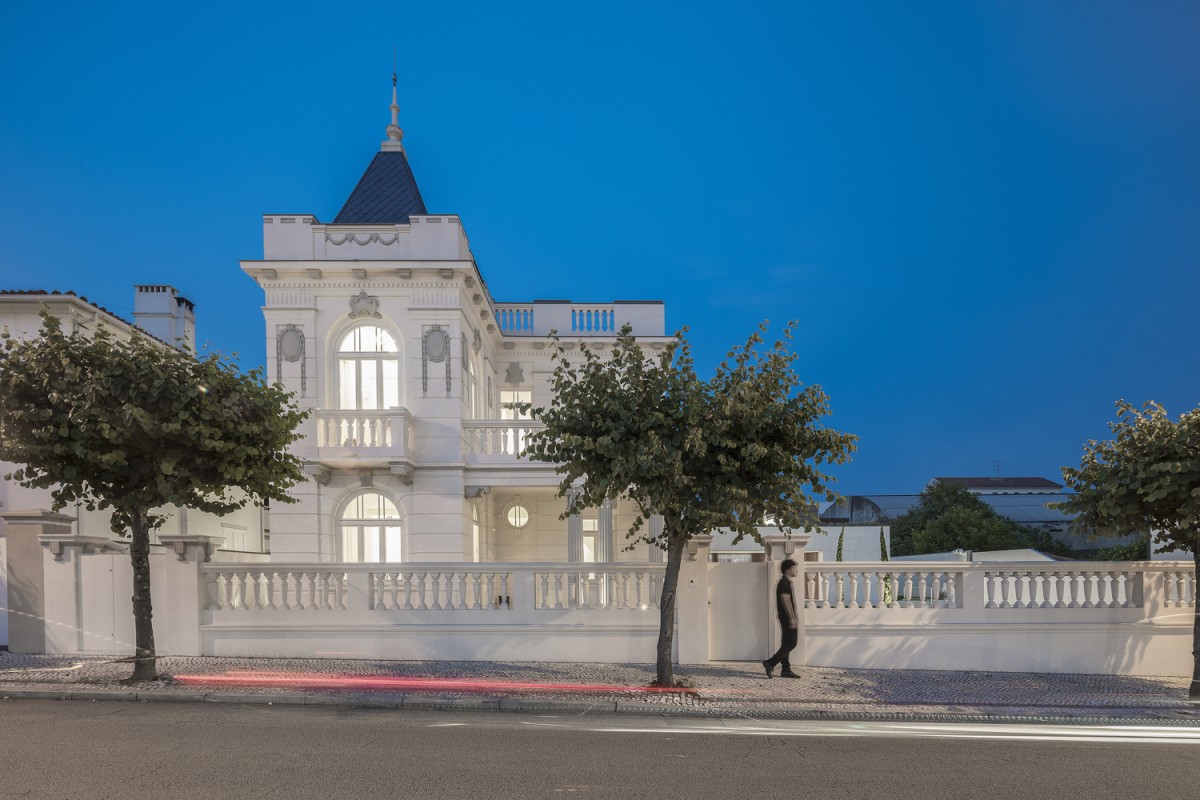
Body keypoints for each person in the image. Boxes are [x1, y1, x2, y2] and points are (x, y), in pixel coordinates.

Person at [762, 558, 800, 678]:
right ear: (788, 570)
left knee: (786, 643)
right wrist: (792, 618)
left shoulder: (786, 582)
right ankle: (771, 662)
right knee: (792, 643)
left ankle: (786, 669)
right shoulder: (784, 583)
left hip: (785, 617)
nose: (796, 570)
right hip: (787, 618)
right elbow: (786, 601)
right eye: (795, 568)